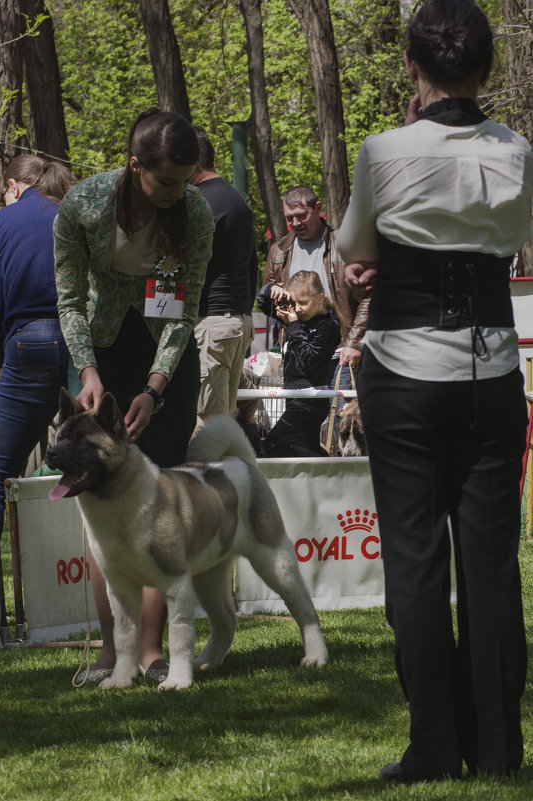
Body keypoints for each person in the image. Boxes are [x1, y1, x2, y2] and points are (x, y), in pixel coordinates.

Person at [337, 0, 533, 782]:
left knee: (415, 563)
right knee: (489, 565)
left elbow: (352, 243)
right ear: (486, 69)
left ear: (412, 69)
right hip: (491, 369)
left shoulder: (383, 149)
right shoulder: (518, 150)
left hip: (407, 371)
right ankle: (495, 750)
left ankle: (430, 744)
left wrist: (380, 258)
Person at [54, 108, 215, 682]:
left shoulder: (195, 212)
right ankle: (111, 650)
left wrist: (155, 386)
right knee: (100, 506)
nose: (179, 192)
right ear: (135, 166)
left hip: (161, 364)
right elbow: (70, 301)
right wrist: (87, 371)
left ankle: (149, 651)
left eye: (187, 178)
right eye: (167, 180)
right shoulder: (83, 205)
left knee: (160, 507)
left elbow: (182, 312)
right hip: (99, 354)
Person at [0, 154, 76, 543]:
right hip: (85, 350)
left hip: (29, 342)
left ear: (13, 187)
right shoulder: (74, 215)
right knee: (93, 465)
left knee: (1, 468)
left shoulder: (3, 222)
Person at [262, 185, 369, 449]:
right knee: (301, 433)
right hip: (300, 356)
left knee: (344, 428)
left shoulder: (344, 245)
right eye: (289, 218)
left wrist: (353, 343)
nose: (295, 223)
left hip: (339, 354)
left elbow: (368, 295)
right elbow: (265, 301)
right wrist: (269, 291)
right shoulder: (279, 251)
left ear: (318, 209)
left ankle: (345, 481)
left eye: (301, 215)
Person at [191, 127, 258, 424]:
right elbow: (252, 266)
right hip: (236, 321)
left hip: (214, 325)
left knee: (204, 424)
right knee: (220, 422)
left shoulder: (200, 202)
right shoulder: (235, 198)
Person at [257, 270, 342, 457]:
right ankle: (331, 478)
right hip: (294, 399)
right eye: (293, 303)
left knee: (269, 447)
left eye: (303, 303)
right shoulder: (297, 317)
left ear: (320, 298)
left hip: (310, 401)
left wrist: (293, 324)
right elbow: (262, 302)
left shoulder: (329, 325)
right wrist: (274, 289)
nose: (298, 308)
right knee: (305, 451)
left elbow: (308, 360)